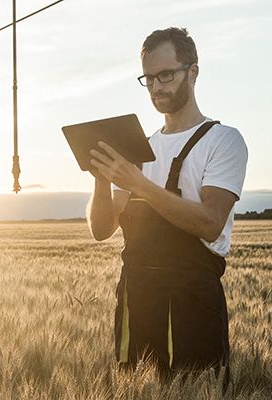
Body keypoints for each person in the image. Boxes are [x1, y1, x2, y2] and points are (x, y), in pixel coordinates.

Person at [85, 27, 249, 388]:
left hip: (191, 301)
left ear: (193, 71)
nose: (157, 87)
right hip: (136, 300)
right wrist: (100, 176)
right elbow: (101, 229)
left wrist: (138, 183)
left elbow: (210, 222)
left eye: (166, 75)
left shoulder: (223, 141)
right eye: (148, 78)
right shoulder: (137, 149)